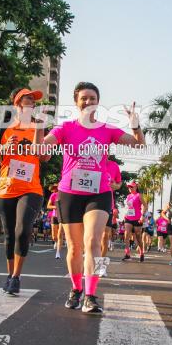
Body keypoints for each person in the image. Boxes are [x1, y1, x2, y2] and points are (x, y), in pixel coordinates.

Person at [42, 81, 145, 314]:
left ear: (98, 102)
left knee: (93, 242)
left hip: (98, 193)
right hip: (69, 192)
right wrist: (41, 138)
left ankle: (91, 295)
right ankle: (76, 289)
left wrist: (135, 123)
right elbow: (45, 146)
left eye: (92, 98)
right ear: (77, 102)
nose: (88, 102)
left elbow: (139, 144)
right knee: (75, 248)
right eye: (84, 98)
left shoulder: (107, 130)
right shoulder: (65, 128)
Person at [0, 88, 48, 296]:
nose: (32, 102)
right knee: (10, 235)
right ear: (17, 103)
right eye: (28, 98)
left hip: (31, 188)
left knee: (22, 231)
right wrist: (3, 148)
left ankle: (17, 277)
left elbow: (45, 158)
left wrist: (39, 131)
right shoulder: (2, 127)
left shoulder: (38, 125)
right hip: (5, 188)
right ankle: (10, 276)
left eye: (34, 100)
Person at [122, 182, 148, 262]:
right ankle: (127, 254)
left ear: (136, 187)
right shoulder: (128, 196)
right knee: (126, 235)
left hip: (137, 218)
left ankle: (141, 252)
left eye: (131, 187)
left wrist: (142, 216)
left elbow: (145, 205)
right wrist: (125, 214)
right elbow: (128, 207)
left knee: (138, 236)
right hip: (128, 218)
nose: (130, 188)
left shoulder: (139, 195)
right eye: (129, 187)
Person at [102, 159, 122, 257]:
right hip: (88, 202)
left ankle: (100, 266)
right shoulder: (87, 161)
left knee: (105, 236)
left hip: (107, 203)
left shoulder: (113, 165)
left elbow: (119, 183)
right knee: (90, 236)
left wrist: (115, 186)